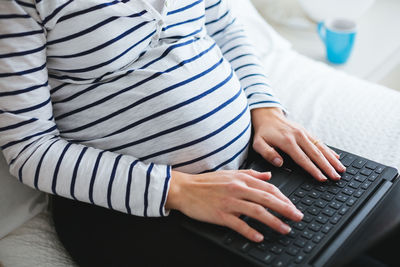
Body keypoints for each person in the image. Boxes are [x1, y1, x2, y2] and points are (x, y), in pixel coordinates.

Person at [0, 0, 347, 266]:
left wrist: (265, 108)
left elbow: (223, 27)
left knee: (361, 217)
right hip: (129, 209)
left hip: (249, 165)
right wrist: (177, 189)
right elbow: (29, 148)